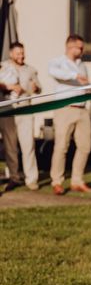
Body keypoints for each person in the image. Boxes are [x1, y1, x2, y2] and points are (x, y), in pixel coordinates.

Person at [48, 34, 91, 195]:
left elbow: (84, 83)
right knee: (62, 146)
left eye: (83, 48)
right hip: (65, 108)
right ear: (70, 47)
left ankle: (77, 180)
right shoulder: (58, 62)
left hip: (82, 109)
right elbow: (53, 72)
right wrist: (75, 76)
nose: (82, 50)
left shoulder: (83, 65)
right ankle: (57, 181)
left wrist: (89, 88)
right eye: (79, 48)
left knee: (85, 146)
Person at [0, 42, 42, 190]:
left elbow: (39, 88)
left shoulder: (30, 70)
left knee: (28, 146)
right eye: (18, 53)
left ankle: (31, 179)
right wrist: (10, 87)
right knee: (10, 146)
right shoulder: (3, 67)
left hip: (25, 111)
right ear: (11, 54)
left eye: (22, 53)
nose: (21, 56)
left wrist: (35, 88)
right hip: (7, 112)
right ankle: (14, 177)